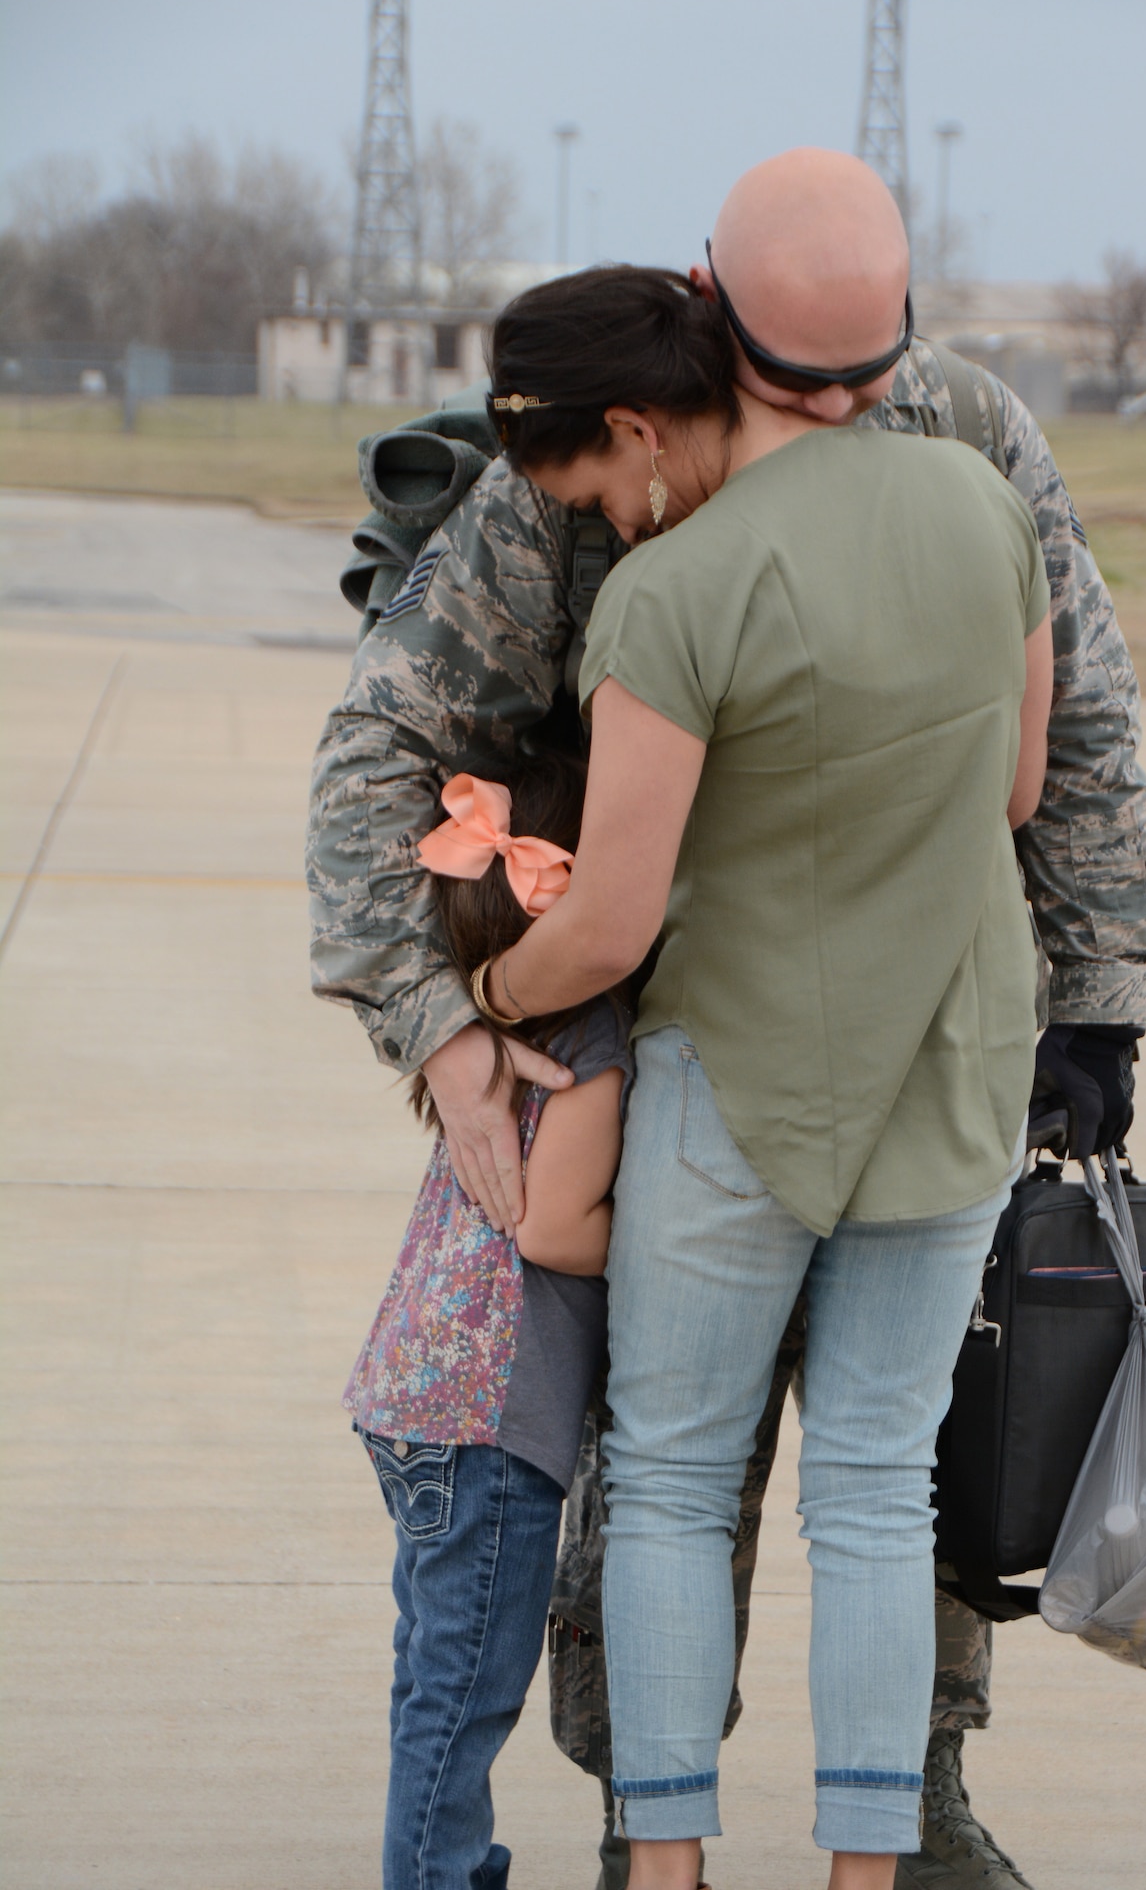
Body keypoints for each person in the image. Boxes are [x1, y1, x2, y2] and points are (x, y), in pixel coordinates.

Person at [307, 148, 1146, 1890]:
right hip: (683, 1026)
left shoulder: (970, 433)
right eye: (821, 385)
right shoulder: (612, 440)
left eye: (876, 380)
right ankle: (661, 1824)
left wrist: (1101, 1012)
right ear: (708, 313)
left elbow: (1083, 738)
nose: (854, 408)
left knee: (881, 1468)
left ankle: (895, 1807)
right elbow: (379, 745)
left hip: (862, 1029)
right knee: (686, 1477)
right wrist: (441, 1028)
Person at [475, 260, 1052, 1890]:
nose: (595, 515)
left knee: (664, 1483)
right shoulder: (976, 498)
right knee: (874, 1495)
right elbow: (1017, 784)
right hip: (951, 1069)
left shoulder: (672, 593)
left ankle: (667, 1873)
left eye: (587, 479)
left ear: (645, 428)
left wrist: (489, 988)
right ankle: (865, 1875)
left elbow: (613, 922)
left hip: (742, 1075)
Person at [343, 752, 632, 1890]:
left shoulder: (467, 1011)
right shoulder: (591, 1035)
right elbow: (557, 1228)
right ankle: (435, 1871)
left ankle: (455, 1858)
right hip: (491, 1421)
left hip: (412, 1397)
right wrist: (696, 1256)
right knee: (465, 1692)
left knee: (434, 1671)